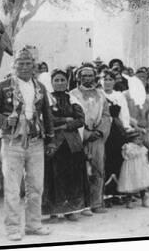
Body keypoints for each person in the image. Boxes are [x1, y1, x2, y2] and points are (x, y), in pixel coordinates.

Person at [0, 47, 54, 241]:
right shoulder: (3, 85)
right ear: (13, 65)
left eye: (28, 63)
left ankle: (33, 224)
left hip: (36, 142)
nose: (24, 67)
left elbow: (47, 115)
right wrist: (5, 121)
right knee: (13, 189)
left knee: (36, 187)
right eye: (20, 63)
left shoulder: (40, 87)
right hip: (12, 142)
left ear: (34, 66)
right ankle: (13, 228)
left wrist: (50, 140)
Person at [42, 69, 89, 222]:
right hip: (54, 143)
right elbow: (47, 119)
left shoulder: (73, 99)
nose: (60, 83)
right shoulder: (46, 99)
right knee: (54, 176)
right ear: (51, 83)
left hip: (72, 144)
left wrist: (66, 125)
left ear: (67, 82)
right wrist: (66, 119)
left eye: (63, 80)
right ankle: (54, 212)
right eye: (57, 80)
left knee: (72, 176)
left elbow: (81, 120)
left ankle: (71, 210)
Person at [70, 64, 111, 215]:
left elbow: (106, 115)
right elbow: (74, 116)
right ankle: (82, 205)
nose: (87, 78)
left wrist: (100, 131)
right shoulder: (73, 94)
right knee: (81, 170)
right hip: (81, 136)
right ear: (78, 77)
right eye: (84, 76)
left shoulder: (100, 94)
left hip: (97, 137)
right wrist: (86, 134)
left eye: (90, 75)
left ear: (94, 77)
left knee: (98, 169)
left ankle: (96, 202)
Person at [101, 71, 132, 203]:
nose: (107, 82)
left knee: (117, 159)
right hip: (103, 129)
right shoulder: (98, 94)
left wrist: (126, 127)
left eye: (110, 79)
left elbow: (124, 113)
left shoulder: (119, 95)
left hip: (117, 130)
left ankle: (118, 193)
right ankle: (106, 194)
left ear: (114, 82)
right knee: (105, 160)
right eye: (105, 79)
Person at [118, 130, 149, 208]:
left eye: (140, 139)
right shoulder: (128, 146)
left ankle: (143, 199)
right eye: (137, 139)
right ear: (132, 139)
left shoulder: (142, 147)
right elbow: (129, 155)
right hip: (131, 167)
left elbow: (145, 155)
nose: (139, 141)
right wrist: (138, 150)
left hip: (140, 167)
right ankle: (129, 200)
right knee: (130, 183)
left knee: (142, 182)